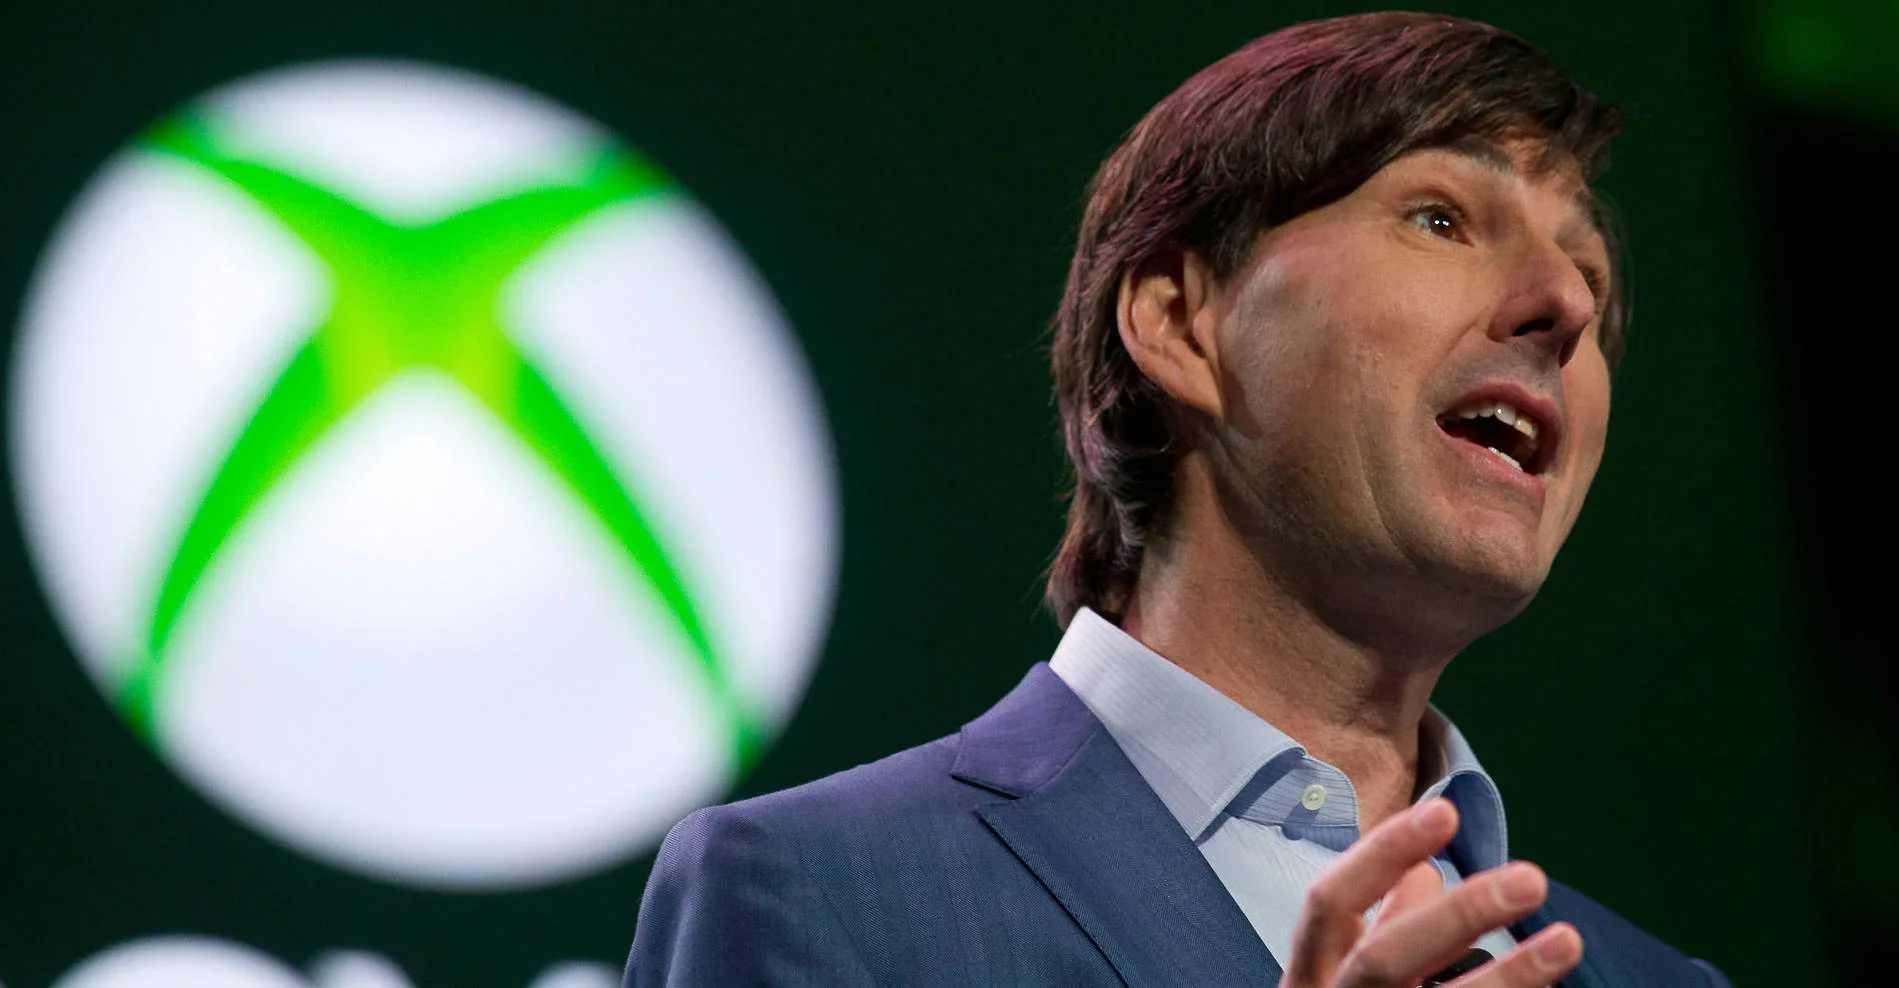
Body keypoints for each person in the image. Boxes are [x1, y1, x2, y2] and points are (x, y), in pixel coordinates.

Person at [624, 12, 1733, 987]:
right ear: (1180, 321)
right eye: (1440, 217)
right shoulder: (827, 894)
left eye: (1587, 273)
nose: (1561, 304)